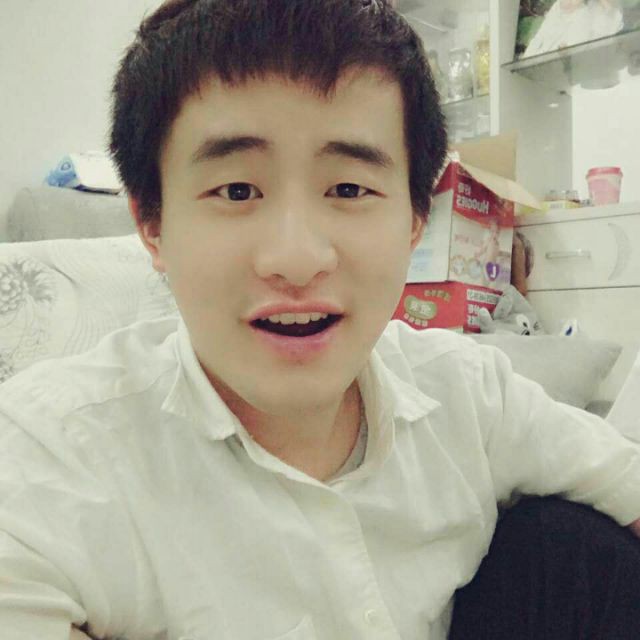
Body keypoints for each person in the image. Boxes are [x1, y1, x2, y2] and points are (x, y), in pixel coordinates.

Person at [1, 1, 640, 639]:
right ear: (152, 224)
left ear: (416, 221)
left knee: (572, 545)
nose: (298, 259)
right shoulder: (45, 469)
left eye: (349, 189)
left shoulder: (469, 399)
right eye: (236, 191)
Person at [524, 0, 624, 58]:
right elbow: (540, 36)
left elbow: (575, 48)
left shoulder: (584, 16)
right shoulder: (558, 6)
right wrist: (526, 57)